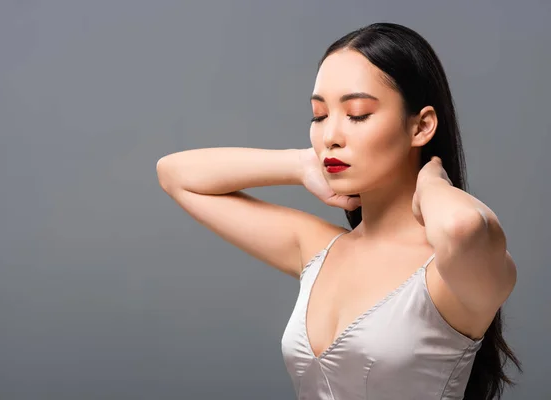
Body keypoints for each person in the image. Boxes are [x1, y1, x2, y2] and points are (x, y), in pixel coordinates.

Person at [156, 22, 521, 400]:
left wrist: (432, 184)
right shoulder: (318, 250)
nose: (330, 135)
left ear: (421, 126)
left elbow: (461, 226)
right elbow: (175, 174)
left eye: (357, 113)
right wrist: (299, 165)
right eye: (319, 115)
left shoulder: (456, 268)